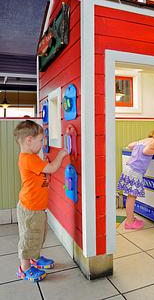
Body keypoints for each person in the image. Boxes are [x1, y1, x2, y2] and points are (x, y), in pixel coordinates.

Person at [14, 120, 68, 282]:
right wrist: (61, 155)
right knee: (29, 237)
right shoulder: (29, 159)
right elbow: (51, 169)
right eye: (41, 140)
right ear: (29, 140)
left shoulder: (32, 157)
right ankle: (25, 268)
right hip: (30, 208)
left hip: (36, 207)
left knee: (38, 235)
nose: (43, 143)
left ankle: (35, 258)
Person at [117, 129, 154, 230]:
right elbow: (146, 151)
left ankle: (130, 218)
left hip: (129, 169)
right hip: (135, 171)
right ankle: (130, 222)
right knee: (132, 197)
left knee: (130, 196)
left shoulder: (144, 141)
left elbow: (130, 145)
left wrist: (140, 144)